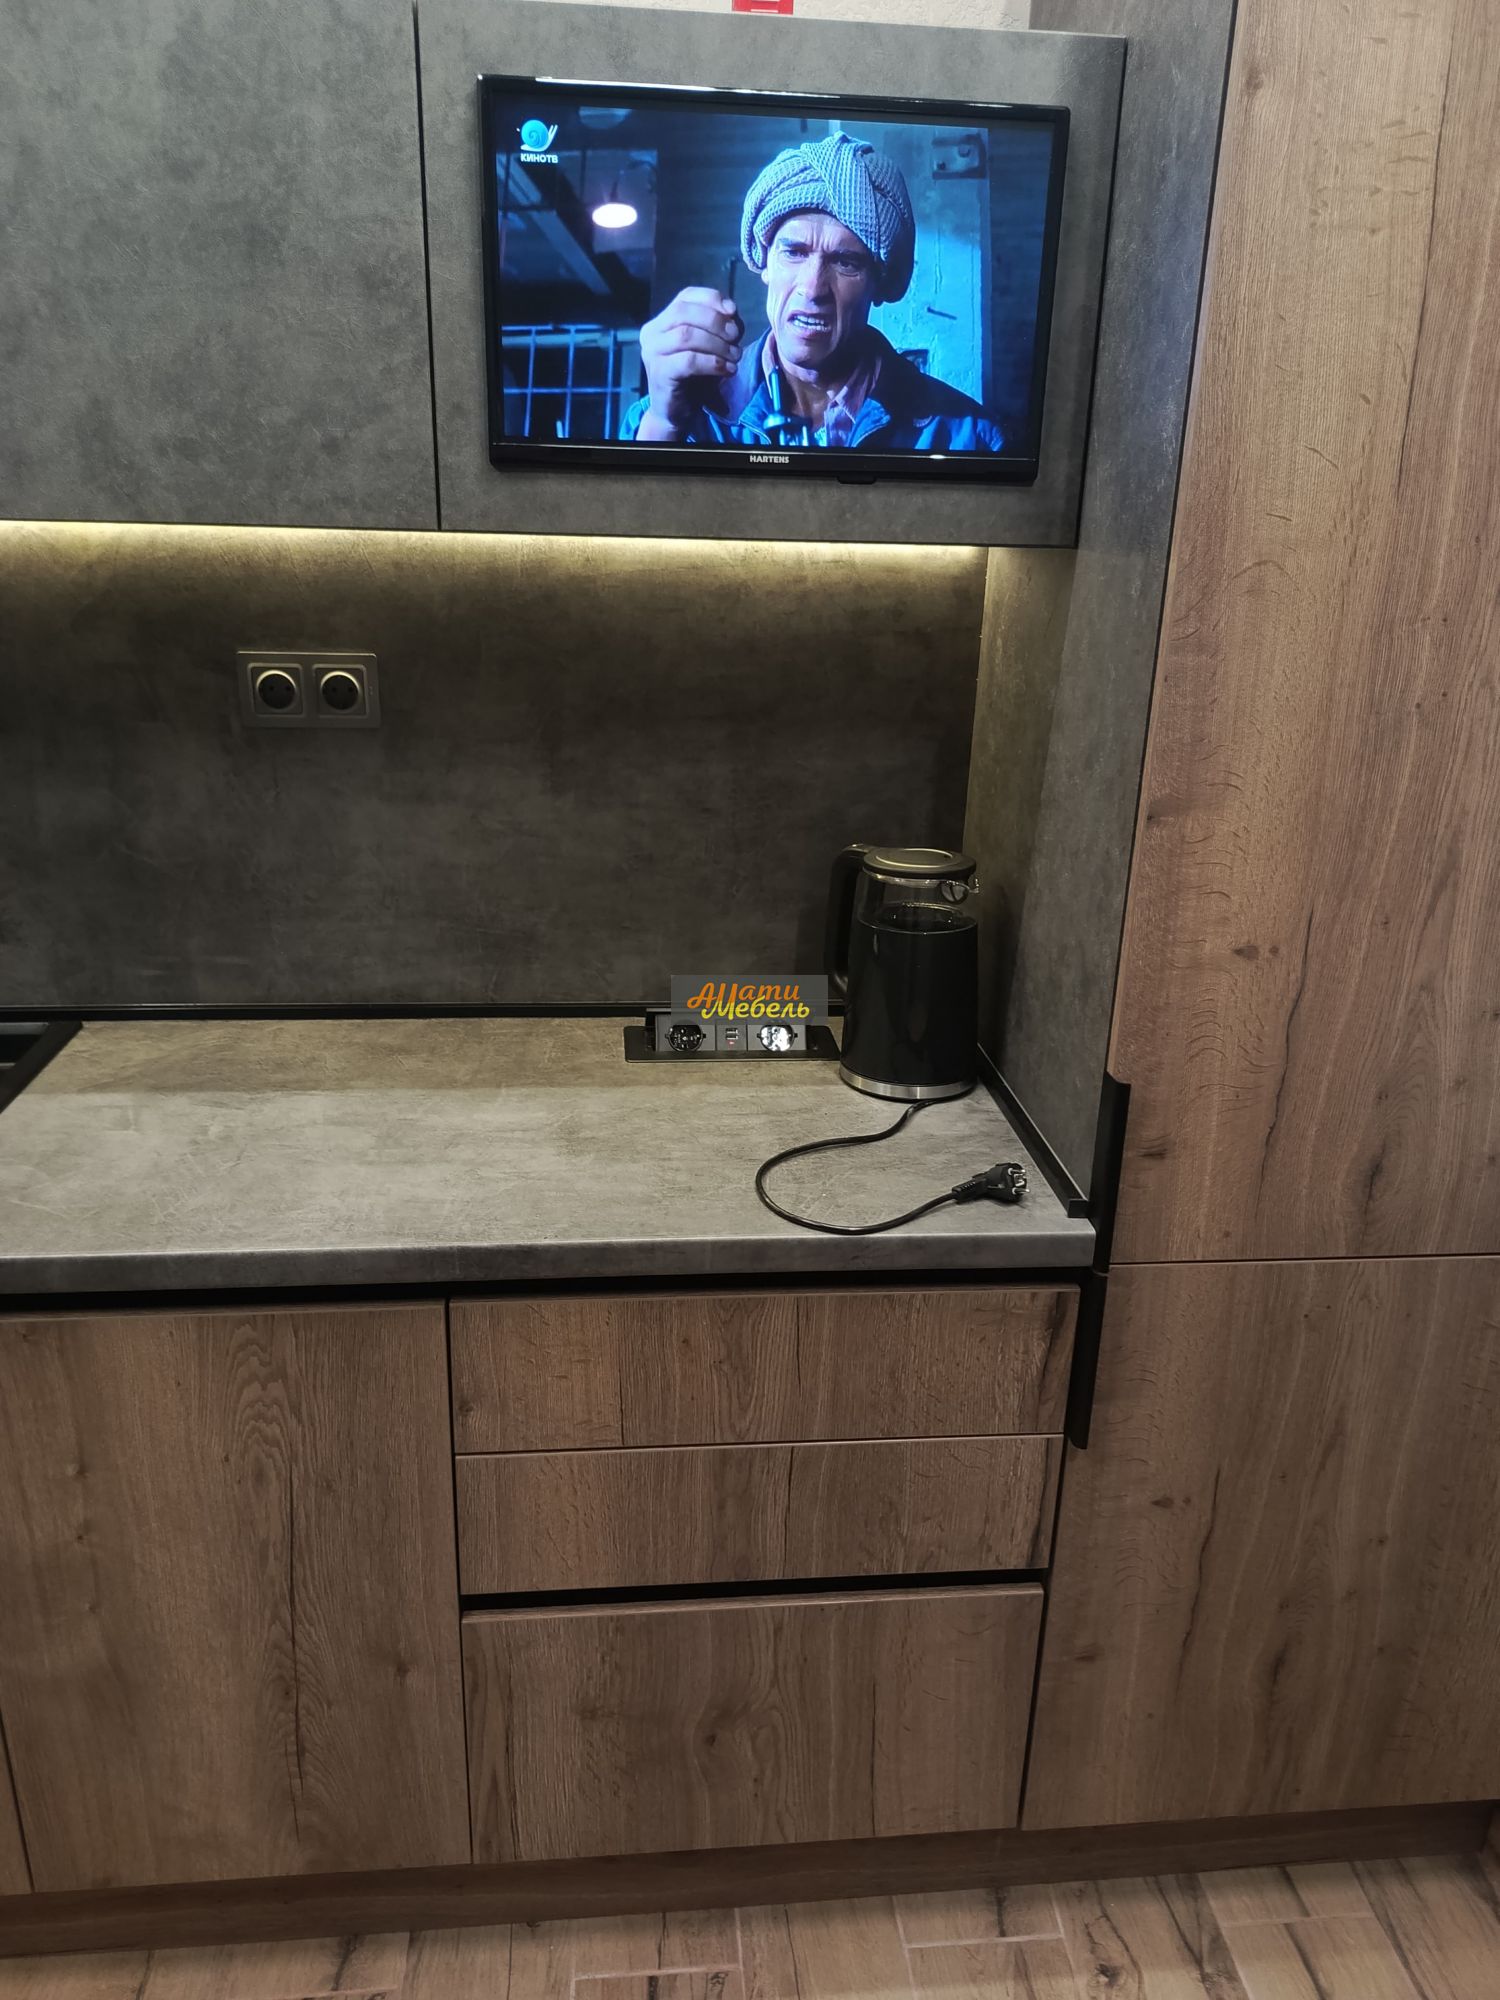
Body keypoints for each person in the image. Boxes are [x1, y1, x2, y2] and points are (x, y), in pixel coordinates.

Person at [620, 131, 1003, 453]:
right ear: (764, 262)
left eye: (845, 262)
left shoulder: (968, 437)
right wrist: (665, 425)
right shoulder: (668, 419)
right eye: (794, 252)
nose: (812, 288)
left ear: (880, 283)